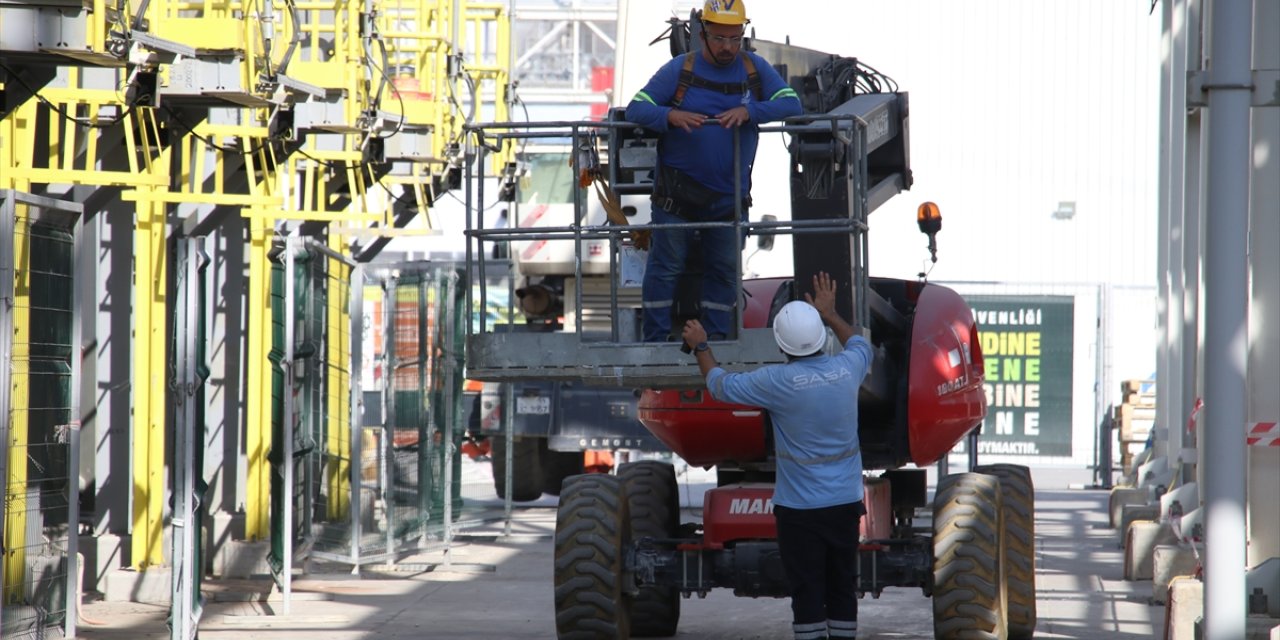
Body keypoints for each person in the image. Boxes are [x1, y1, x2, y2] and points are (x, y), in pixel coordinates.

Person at [682, 271, 873, 640]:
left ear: (781, 345)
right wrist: (830, 314)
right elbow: (859, 345)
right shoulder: (847, 370)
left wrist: (701, 346)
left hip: (800, 512)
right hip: (846, 505)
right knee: (842, 587)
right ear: (820, 336)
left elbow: (719, 385)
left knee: (807, 590)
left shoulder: (776, 383)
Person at [626, 0, 802, 342]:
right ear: (703, 34)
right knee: (665, 270)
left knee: (722, 272)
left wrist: (750, 112)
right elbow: (638, 108)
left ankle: (718, 341)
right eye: (720, 38)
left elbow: (791, 102)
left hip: (727, 198)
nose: (728, 47)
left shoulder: (753, 69)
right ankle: (655, 341)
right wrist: (670, 117)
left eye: (735, 38)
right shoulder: (681, 70)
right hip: (676, 197)